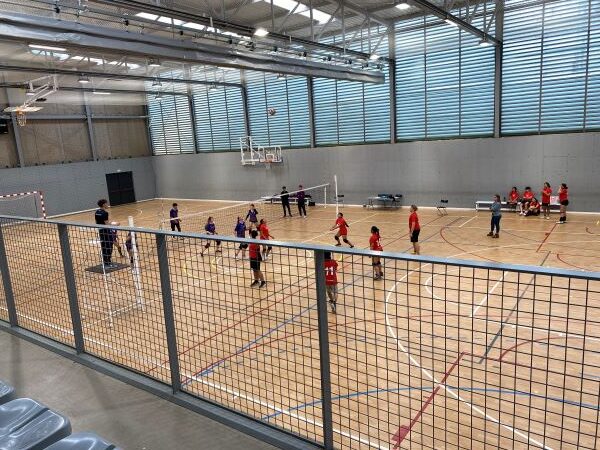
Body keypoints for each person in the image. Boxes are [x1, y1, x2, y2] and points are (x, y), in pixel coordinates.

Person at [94, 199, 116, 268]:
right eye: (106, 203)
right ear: (103, 204)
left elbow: (97, 222)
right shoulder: (105, 213)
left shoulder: (97, 212)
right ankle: (108, 263)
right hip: (106, 231)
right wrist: (115, 224)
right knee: (109, 246)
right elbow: (107, 224)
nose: (107, 205)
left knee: (104, 246)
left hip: (100, 231)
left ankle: (106, 262)